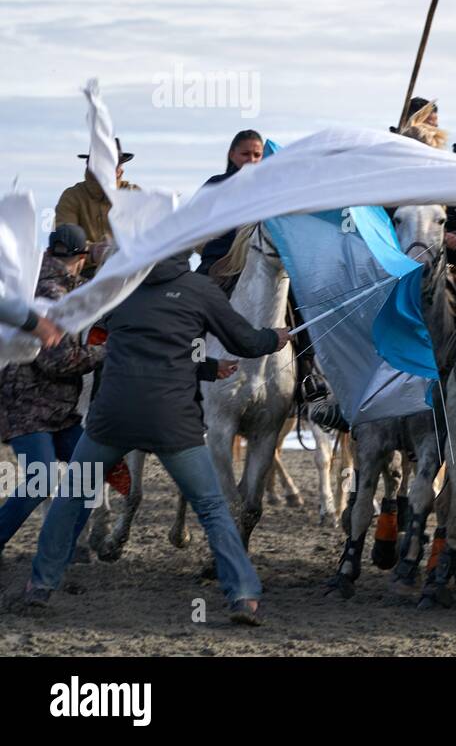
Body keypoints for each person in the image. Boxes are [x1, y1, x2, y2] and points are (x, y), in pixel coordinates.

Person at [22, 249, 291, 625]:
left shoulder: (121, 287)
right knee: (212, 508)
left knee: (72, 497)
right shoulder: (200, 288)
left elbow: (127, 337)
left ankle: (40, 585)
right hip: (171, 420)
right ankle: (243, 595)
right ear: (186, 252)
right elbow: (245, 340)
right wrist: (272, 338)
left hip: (112, 415)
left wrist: (209, 368)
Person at [0, 226, 104, 561]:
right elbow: (59, 362)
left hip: (57, 410)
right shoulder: (54, 293)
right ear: (81, 258)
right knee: (41, 479)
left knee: (88, 474)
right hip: (27, 407)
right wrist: (106, 352)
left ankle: (63, 548)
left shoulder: (52, 284)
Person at [54, 137, 139, 276]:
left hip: (129, 273)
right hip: (85, 274)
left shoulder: (134, 194)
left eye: (118, 164)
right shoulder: (72, 197)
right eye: (110, 164)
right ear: (90, 165)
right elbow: (64, 240)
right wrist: (93, 252)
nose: (120, 169)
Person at [196, 130, 265, 275]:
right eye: (245, 154)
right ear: (232, 155)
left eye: (257, 155)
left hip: (262, 258)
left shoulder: (271, 187)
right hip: (218, 257)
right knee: (197, 292)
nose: (251, 159)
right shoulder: (216, 184)